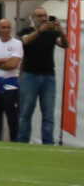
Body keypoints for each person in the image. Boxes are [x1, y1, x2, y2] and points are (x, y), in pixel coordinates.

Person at [16, 9, 65, 145]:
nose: (43, 18)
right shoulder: (26, 31)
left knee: (48, 114)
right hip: (29, 76)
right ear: (33, 17)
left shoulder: (52, 33)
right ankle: (22, 142)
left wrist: (61, 30)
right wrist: (39, 31)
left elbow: (65, 45)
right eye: (40, 16)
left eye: (45, 16)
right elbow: (24, 41)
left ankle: (48, 144)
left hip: (48, 76)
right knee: (26, 112)